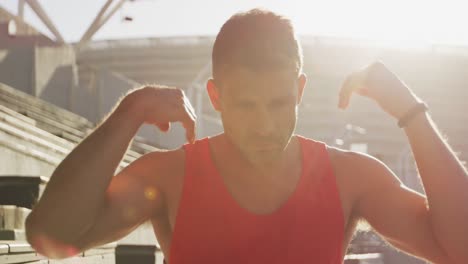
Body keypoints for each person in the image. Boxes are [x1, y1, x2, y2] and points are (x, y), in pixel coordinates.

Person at [25, 8, 468, 264]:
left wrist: (410, 111)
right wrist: (128, 114)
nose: (264, 125)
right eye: (245, 106)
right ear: (215, 97)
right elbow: (49, 235)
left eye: (278, 103)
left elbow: (460, 248)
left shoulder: (350, 177)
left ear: (299, 91)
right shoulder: (172, 175)